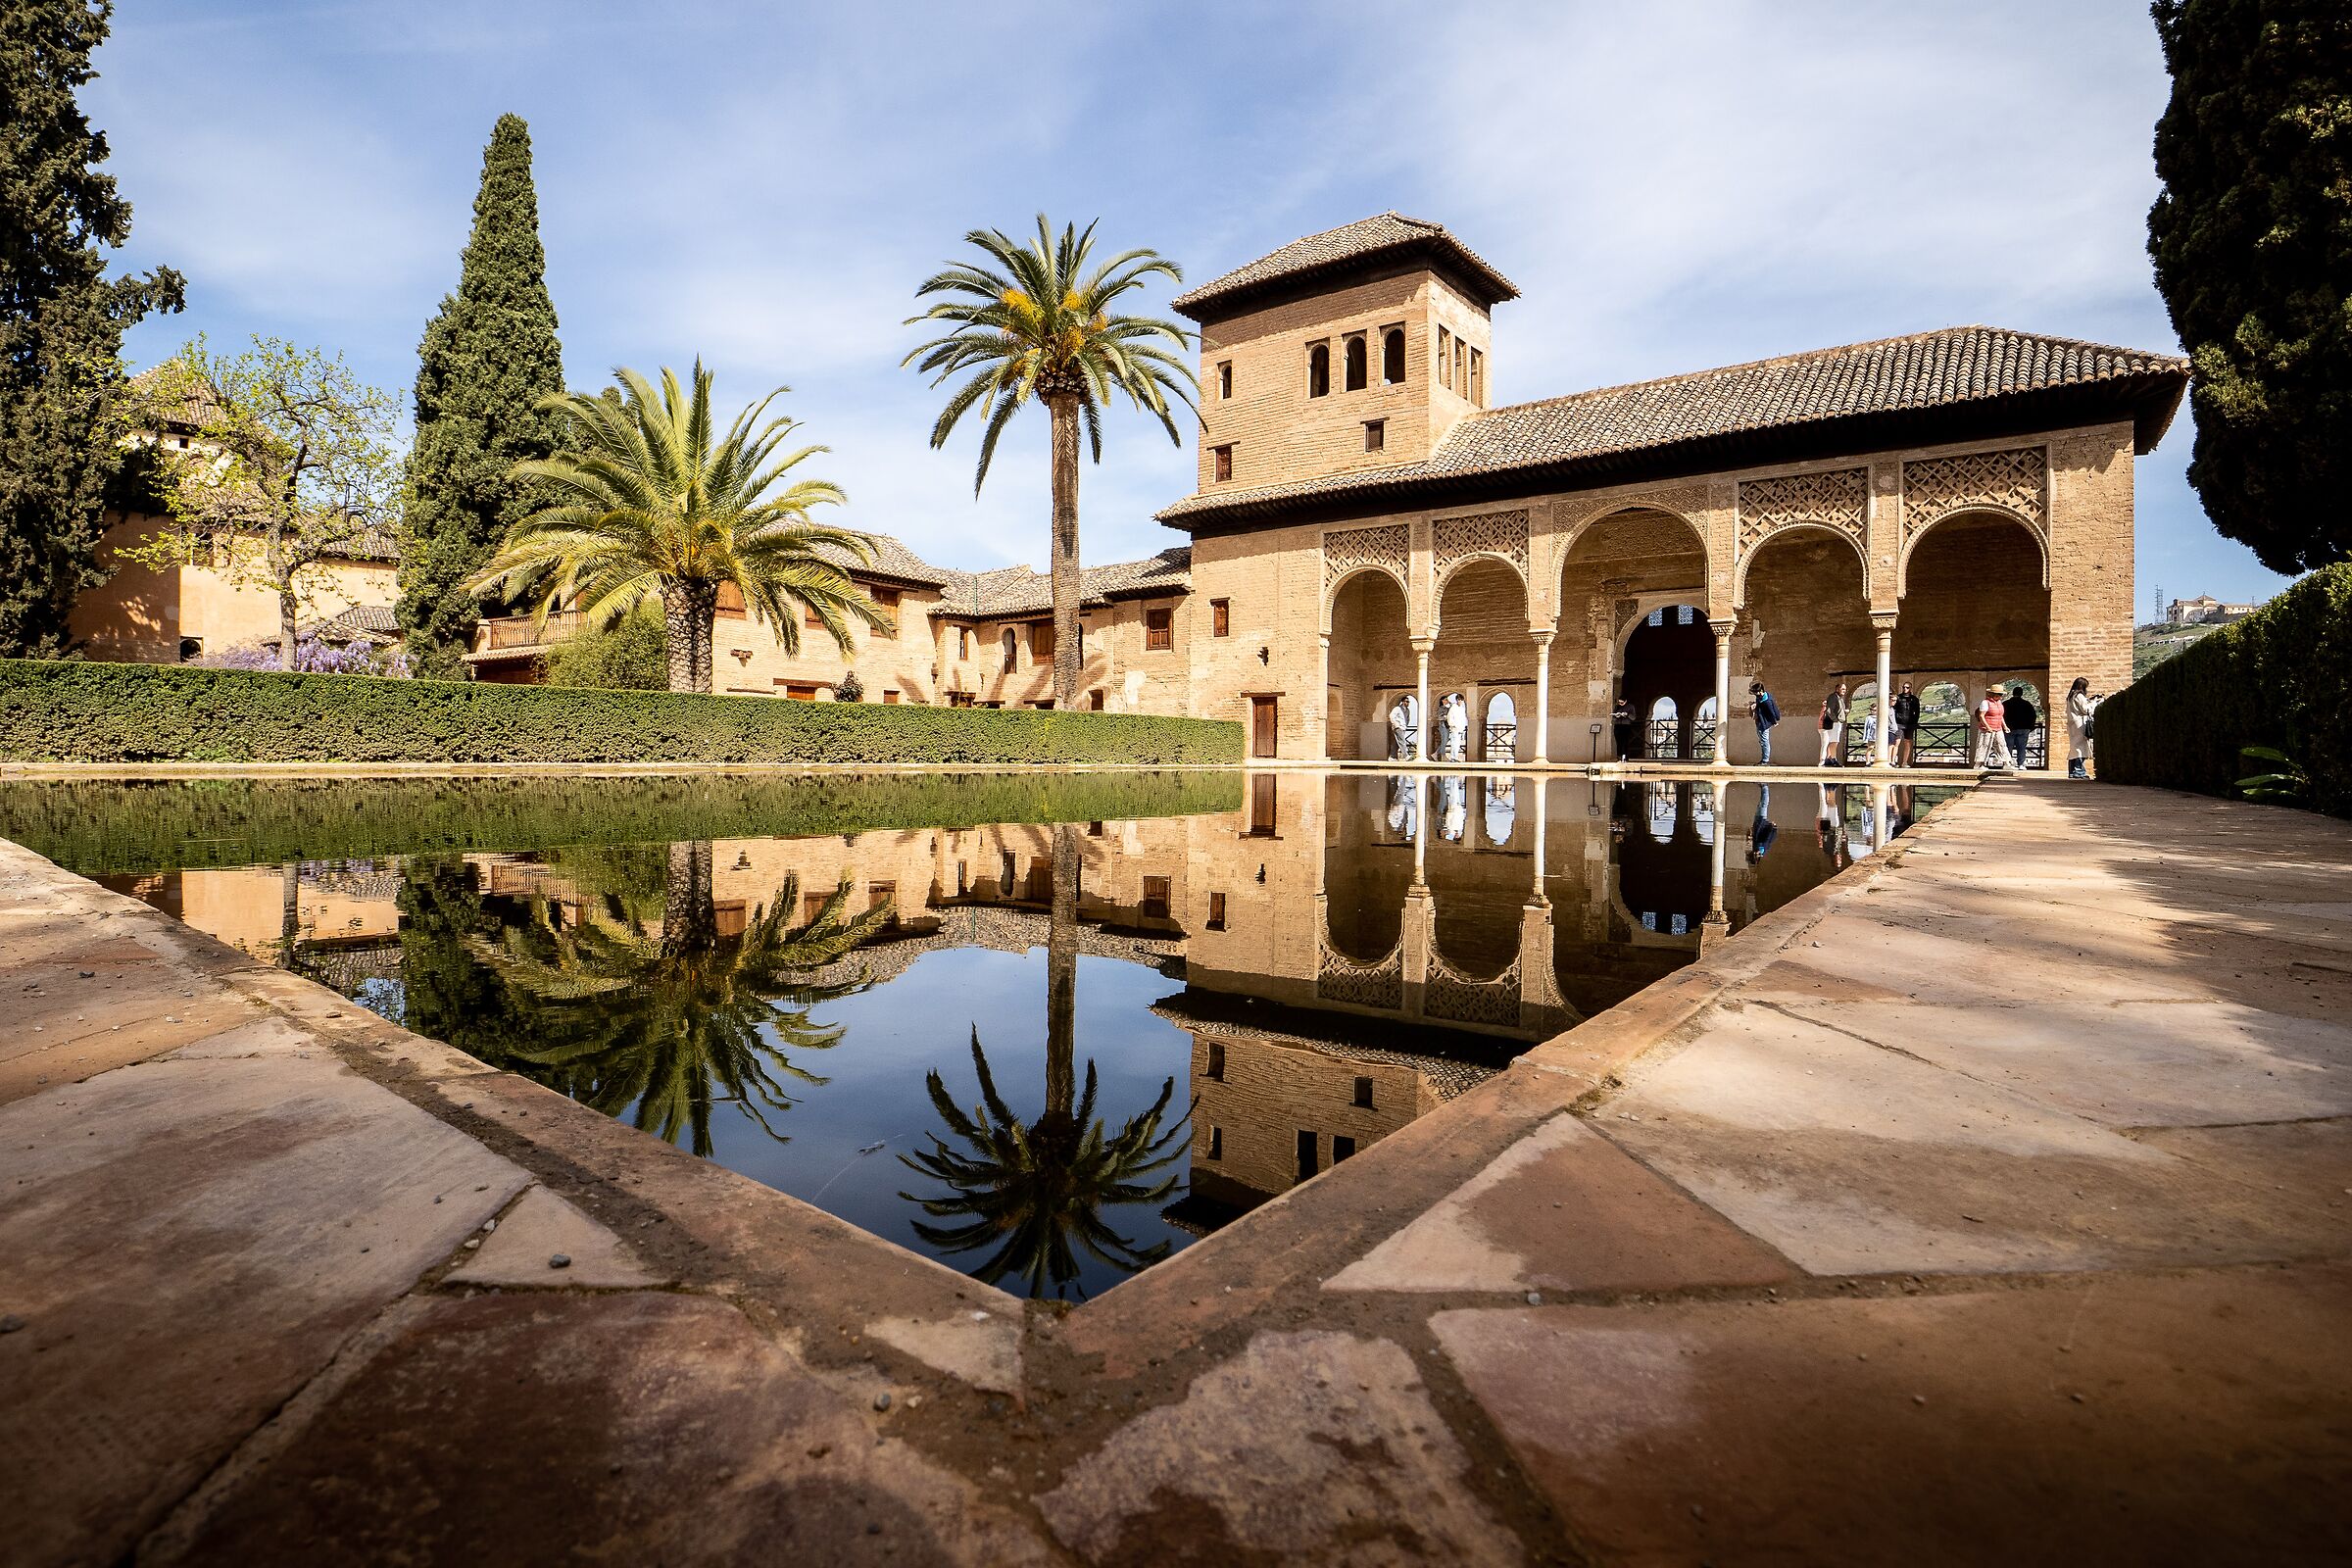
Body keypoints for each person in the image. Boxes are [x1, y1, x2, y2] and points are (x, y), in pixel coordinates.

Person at [1974, 685, 2016, 771]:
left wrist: (2005, 726)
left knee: (2002, 745)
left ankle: (2006, 763)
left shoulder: (1999, 703)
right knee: (1984, 745)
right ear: (1993, 694)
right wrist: (1987, 727)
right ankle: (1979, 764)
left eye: (2001, 695)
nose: (2000, 696)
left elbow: (2000, 716)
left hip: (1998, 728)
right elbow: (1981, 716)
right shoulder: (1985, 702)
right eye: (1998, 694)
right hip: (1987, 729)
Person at [2066, 676, 2096, 779]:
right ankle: (2079, 771)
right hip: (2080, 724)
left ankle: (2072, 771)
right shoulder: (2079, 695)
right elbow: (2085, 709)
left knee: (2074, 748)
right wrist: (2094, 703)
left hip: (2072, 724)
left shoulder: (2071, 696)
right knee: (2080, 748)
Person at [2002, 684, 2038, 769]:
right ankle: (2021, 764)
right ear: (2021, 694)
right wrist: (2030, 727)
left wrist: (2003, 726)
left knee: (2008, 747)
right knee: (2022, 747)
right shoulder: (2027, 704)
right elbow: (2033, 716)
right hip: (2023, 728)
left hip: (2009, 729)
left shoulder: (2006, 704)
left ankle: (2008, 763)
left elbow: (2001, 715)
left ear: (2013, 693)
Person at [1890, 681, 1921, 768]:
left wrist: (1915, 722)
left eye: (1907, 687)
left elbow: (1917, 712)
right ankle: (1892, 761)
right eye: (1904, 687)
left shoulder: (1914, 699)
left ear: (1910, 688)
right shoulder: (1899, 698)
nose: (1905, 689)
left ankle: (1904, 762)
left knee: (1908, 743)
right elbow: (1894, 709)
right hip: (1899, 723)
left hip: (1910, 724)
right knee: (1897, 742)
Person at [1749, 680, 1780, 765]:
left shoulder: (1766, 701)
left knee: (1764, 741)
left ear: (1760, 691)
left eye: (1756, 692)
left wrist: (1774, 722)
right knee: (1763, 741)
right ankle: (1764, 759)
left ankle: (1765, 760)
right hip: (1760, 721)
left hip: (1764, 723)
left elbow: (1771, 712)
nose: (1755, 694)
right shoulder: (1761, 697)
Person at [1818, 683, 1846, 766]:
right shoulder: (1833, 697)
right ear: (1837, 689)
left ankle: (1833, 758)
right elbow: (1829, 711)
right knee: (1828, 741)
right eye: (1843, 689)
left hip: (1837, 723)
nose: (1844, 691)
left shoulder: (1839, 698)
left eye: (1845, 689)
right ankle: (1825, 760)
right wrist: (1835, 720)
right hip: (1833, 723)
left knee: (1835, 741)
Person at [1611, 695, 1636, 761]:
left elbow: (1633, 717)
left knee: (1625, 742)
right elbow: (1613, 716)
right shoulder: (1617, 707)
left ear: (1625, 701)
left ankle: (1625, 757)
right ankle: (1619, 756)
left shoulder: (1630, 707)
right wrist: (1616, 716)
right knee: (1618, 741)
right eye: (1619, 703)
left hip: (1626, 725)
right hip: (1618, 725)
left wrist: (1627, 715)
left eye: (1622, 703)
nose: (1620, 704)